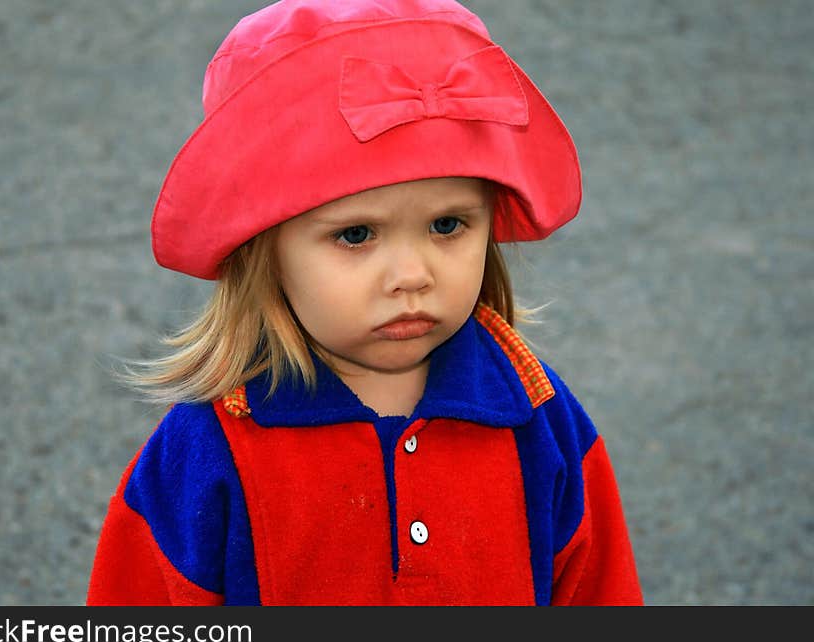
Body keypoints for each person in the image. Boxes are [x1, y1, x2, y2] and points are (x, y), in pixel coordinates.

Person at [87, 0, 643, 606]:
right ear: (264, 250)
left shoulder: (539, 415)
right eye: (356, 234)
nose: (411, 275)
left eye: (448, 225)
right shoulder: (208, 446)